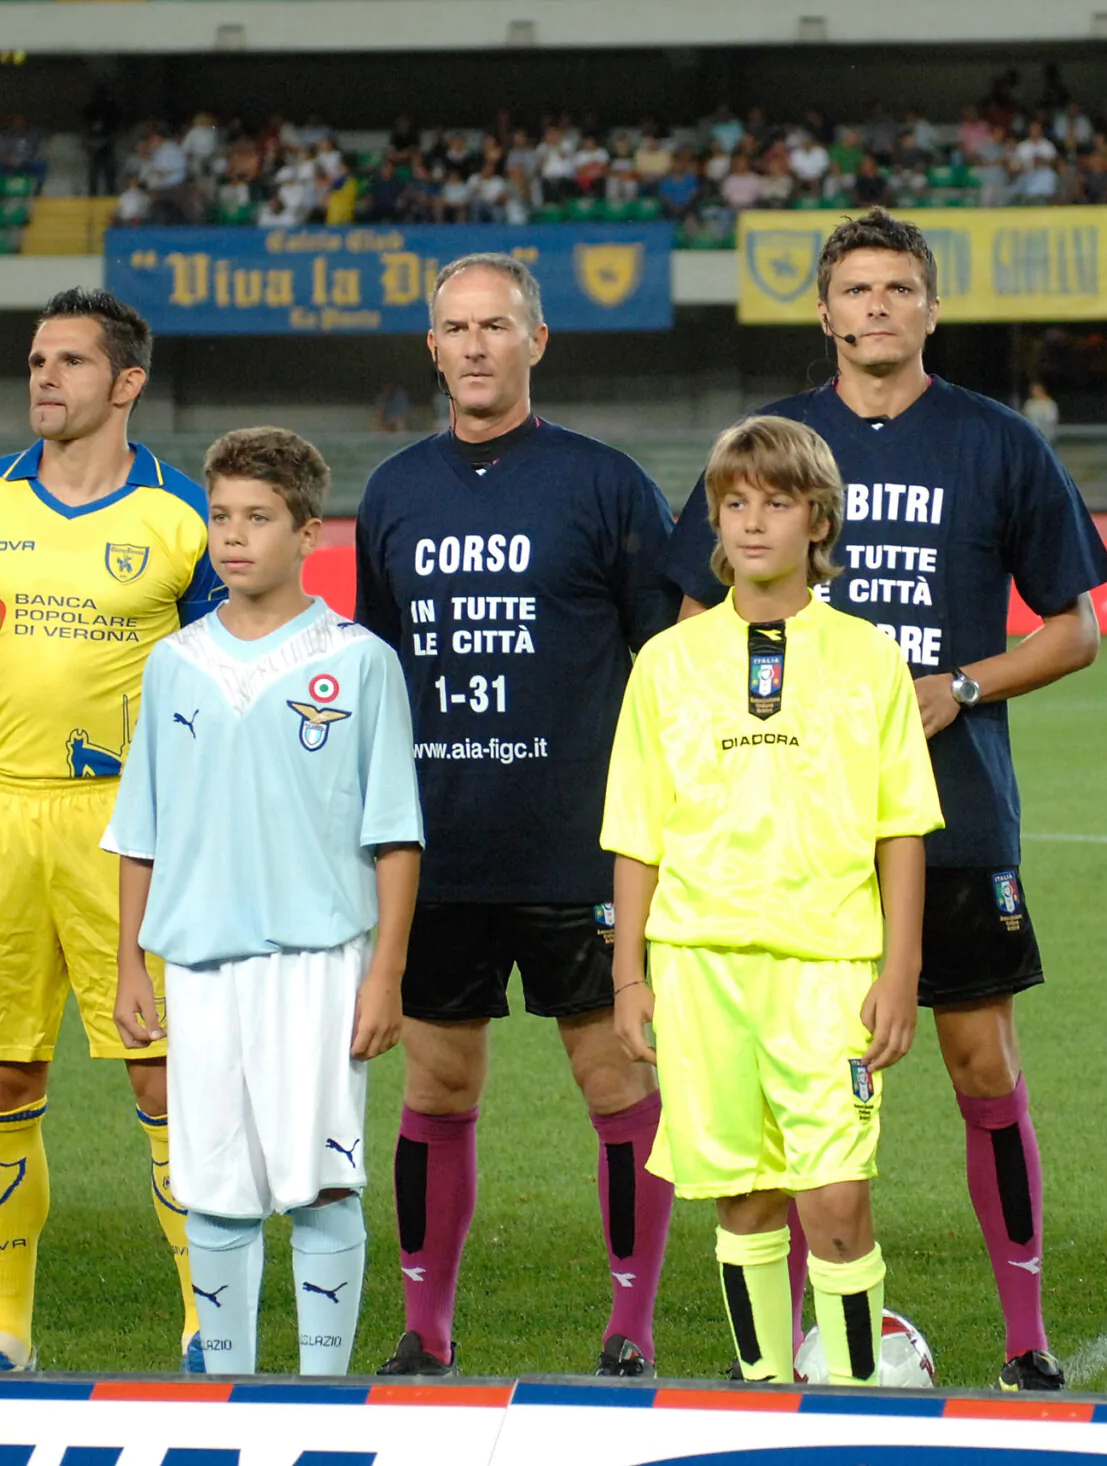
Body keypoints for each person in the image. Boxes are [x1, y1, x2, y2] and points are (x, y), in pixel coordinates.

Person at [662, 210, 1107, 1393]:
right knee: (771, 1122)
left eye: (898, 288)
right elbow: (685, 623)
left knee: (980, 1067)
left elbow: (1076, 629)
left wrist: (958, 685)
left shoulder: (998, 443)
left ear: (929, 307)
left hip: (952, 810)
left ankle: (1026, 1334)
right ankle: (780, 1352)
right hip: (784, 843)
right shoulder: (770, 443)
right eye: (855, 289)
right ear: (823, 309)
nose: (876, 307)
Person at [353, 254, 683, 1380]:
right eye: (456, 327)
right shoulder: (395, 492)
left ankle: (629, 1329)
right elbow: (380, 674)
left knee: (618, 1087)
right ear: (431, 348)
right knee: (437, 1087)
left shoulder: (605, 484)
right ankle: (424, 1329)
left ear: (537, 341)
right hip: (439, 851)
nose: (477, 345)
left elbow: (670, 662)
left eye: (498, 325)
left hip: (577, 849)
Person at [0, 288, 224, 1374]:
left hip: (130, 833)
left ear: (126, 383)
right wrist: (20, 754)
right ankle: (2, 1330)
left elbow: (223, 674)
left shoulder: (183, 519)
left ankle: (204, 1327)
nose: (45, 377)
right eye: (37, 358)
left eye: (71, 362)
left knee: (162, 1074)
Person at [604, 415, 942, 1384]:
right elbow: (637, 829)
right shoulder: (666, 664)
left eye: (776, 503)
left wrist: (900, 970)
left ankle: (850, 1392)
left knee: (834, 1198)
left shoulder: (868, 657)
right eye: (735, 502)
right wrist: (629, 974)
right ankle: (762, 1394)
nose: (752, 523)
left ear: (818, 518)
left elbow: (900, 828)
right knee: (742, 1199)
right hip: (698, 967)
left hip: (827, 969)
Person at [108, 428, 422, 1376]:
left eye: (258, 517)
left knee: (321, 1185)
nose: (233, 538)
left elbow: (395, 833)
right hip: (200, 967)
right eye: (220, 517)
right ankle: (227, 1394)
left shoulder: (358, 661)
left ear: (308, 533)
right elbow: (141, 831)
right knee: (215, 1190)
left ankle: (322, 1396)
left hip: (320, 965)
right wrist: (130, 960)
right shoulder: (175, 664)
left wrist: (386, 976)